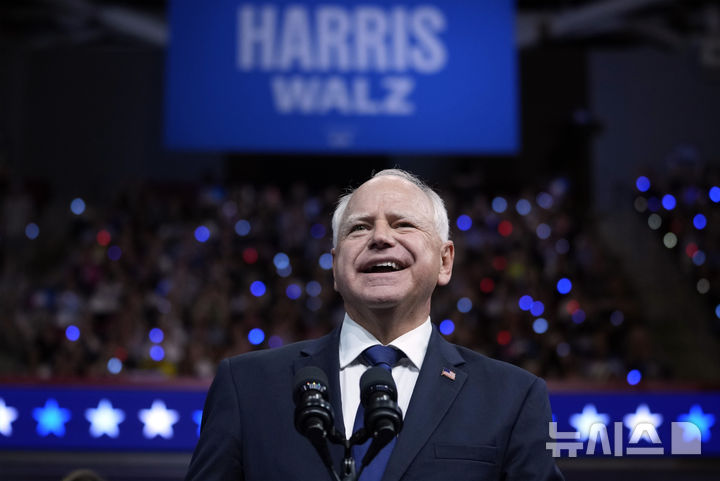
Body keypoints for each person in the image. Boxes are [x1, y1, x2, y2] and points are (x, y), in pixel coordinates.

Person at [185, 169, 564, 481]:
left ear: (445, 261)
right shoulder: (247, 385)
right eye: (359, 228)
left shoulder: (512, 398)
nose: (381, 237)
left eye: (403, 224)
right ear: (335, 266)